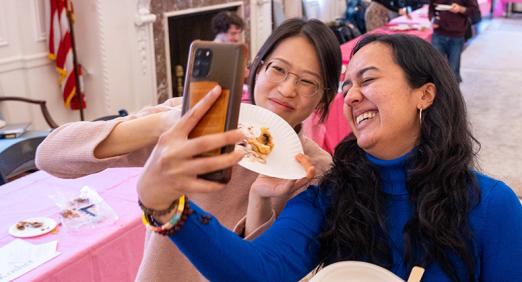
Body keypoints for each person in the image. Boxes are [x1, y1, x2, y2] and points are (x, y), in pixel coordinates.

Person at [136, 33, 522, 281]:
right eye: (346, 85)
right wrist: (167, 208)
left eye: (367, 80)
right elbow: (258, 272)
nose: (351, 97)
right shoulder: (330, 192)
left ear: (425, 94)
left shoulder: (491, 205)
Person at [35, 18, 342, 281]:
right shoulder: (192, 123)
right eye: (278, 69)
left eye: (307, 82)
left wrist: (259, 201)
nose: (288, 89)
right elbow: (50, 156)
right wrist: (165, 123)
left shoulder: (312, 168)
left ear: (323, 98)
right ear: (255, 70)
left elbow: (260, 270)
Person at [429, 0, 480, 82]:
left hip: (456, 35)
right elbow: (432, 9)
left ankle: (453, 93)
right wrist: (432, 20)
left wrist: (461, 9)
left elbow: (475, 13)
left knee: (453, 70)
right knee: (436, 68)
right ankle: (438, 93)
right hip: (438, 34)